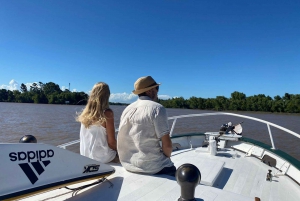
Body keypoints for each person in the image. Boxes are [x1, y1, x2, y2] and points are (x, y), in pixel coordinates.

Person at [117, 76, 176, 176]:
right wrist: (167, 158)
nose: (157, 93)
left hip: (128, 165)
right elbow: (167, 146)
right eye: (157, 89)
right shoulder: (157, 108)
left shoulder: (127, 109)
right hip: (153, 167)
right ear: (150, 91)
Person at [76, 82, 119, 163]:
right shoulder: (107, 113)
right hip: (103, 158)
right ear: (107, 96)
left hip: (86, 157)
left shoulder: (84, 114)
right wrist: (123, 151)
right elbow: (111, 143)